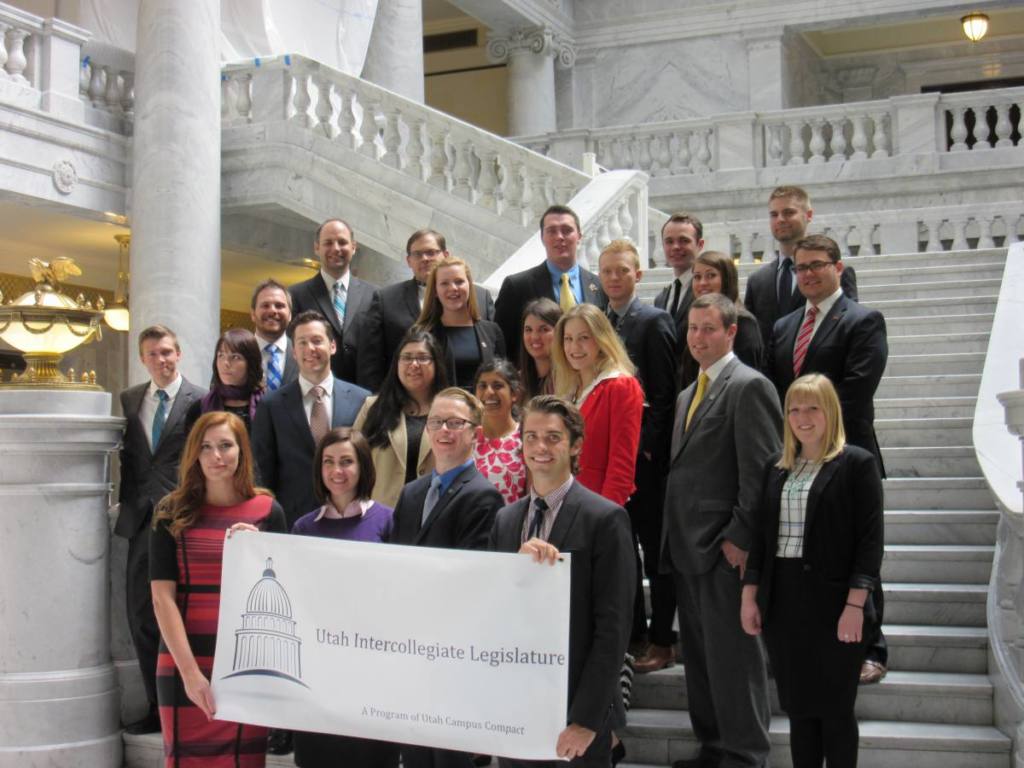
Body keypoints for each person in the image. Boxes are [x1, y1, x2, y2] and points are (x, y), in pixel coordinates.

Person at [661, 293, 782, 768]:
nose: (698, 337)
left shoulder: (749, 386)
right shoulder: (688, 394)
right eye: (692, 328)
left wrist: (741, 538)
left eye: (709, 328)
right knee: (702, 662)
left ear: (731, 332)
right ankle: (712, 749)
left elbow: (762, 473)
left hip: (725, 550)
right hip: (686, 549)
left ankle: (745, 755)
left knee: (735, 662)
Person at [741, 374, 883, 768]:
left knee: (836, 712)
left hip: (836, 604)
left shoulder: (856, 464)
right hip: (783, 604)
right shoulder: (776, 467)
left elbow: (870, 543)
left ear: (830, 412)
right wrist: (750, 595)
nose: (802, 417)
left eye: (812, 408)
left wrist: (855, 604)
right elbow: (761, 539)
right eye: (794, 409)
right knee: (800, 710)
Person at [766, 233, 890, 684]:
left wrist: (819, 433)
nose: (809, 274)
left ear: (838, 268)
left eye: (818, 265)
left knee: (858, 551)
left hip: (847, 457)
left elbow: (856, 392)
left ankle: (872, 648)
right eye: (801, 267)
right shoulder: (783, 327)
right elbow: (780, 394)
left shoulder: (863, 320)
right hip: (798, 461)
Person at [489, 395, 635, 768]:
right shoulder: (505, 521)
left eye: (553, 437)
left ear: (575, 445)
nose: (540, 447)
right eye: (532, 436)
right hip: (517, 710)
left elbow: (613, 630)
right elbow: (492, 614)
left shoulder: (606, 519)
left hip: (578, 713)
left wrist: (586, 719)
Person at [149, 411, 287, 767]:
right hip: (184, 659)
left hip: (246, 661)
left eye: (226, 445)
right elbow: (162, 599)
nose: (216, 456)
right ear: (194, 454)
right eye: (206, 447)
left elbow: (286, 589)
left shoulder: (269, 510)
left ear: (242, 451)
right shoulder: (170, 511)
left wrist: (262, 551)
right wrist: (190, 673)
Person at [389, 387, 504, 768]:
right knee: (416, 754)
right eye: (437, 421)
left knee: (449, 757)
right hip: (411, 647)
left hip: (454, 652)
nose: (443, 430)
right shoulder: (410, 494)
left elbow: (472, 577)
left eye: (455, 423)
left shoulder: (483, 496)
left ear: (475, 433)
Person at [114, 324, 207, 735]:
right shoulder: (130, 399)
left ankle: (187, 700)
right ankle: (156, 705)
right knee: (141, 611)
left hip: (183, 518)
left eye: (168, 352)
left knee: (184, 611)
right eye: (153, 354)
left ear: (179, 353)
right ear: (143, 358)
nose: (162, 360)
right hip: (139, 521)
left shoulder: (200, 399)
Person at [289, 428, 399, 768]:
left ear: (363, 467)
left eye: (347, 462)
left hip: (372, 668)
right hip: (318, 671)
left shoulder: (387, 520)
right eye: (329, 462)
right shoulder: (303, 528)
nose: (337, 471)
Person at [597, 239, 679, 673]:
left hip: (644, 465)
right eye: (607, 271)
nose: (614, 278)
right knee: (621, 551)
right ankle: (634, 633)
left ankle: (664, 639)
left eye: (622, 271)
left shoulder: (654, 321)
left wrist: (644, 447)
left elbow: (665, 396)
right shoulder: (599, 322)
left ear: (638, 274)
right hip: (607, 462)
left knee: (654, 551)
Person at [252, 310, 370, 529]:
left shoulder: (362, 400)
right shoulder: (272, 405)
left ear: (332, 346)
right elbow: (263, 471)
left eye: (317, 341)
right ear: (294, 352)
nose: (310, 349)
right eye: (302, 342)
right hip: (292, 522)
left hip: (352, 519)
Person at [357, 228, 496, 392]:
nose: (425, 259)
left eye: (431, 252)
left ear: (445, 255)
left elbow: (496, 355)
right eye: (417, 254)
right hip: (409, 401)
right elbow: (370, 362)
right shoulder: (385, 299)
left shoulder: (480, 296)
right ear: (408, 261)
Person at [551, 304, 644, 508]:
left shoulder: (620, 386)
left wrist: (604, 517)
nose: (574, 347)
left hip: (597, 507)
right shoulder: (568, 388)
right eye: (568, 339)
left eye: (584, 338)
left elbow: (621, 467)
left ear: (601, 340)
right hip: (564, 504)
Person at [744, 186, 859, 349]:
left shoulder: (836, 272)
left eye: (789, 212)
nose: (780, 219)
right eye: (774, 214)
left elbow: (849, 327)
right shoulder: (757, 281)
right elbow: (753, 340)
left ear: (809, 215)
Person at [353, 329, 448, 508]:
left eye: (422, 358)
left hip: (434, 513)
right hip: (381, 513)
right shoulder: (373, 408)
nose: (414, 364)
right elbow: (354, 458)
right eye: (406, 357)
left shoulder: (451, 410)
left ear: (436, 364)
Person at [494, 205, 607, 352]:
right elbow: (502, 344)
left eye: (567, 230)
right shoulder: (517, 286)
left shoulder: (599, 285)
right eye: (552, 231)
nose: (560, 237)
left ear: (579, 236)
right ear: (542, 238)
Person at [290, 218, 377, 383]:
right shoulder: (296, 295)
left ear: (353, 247)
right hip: (315, 391)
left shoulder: (375, 295)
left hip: (365, 393)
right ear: (317, 247)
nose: (335, 248)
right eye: (328, 243)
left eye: (342, 242)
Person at [413, 255, 505, 390]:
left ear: (469, 285)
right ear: (435, 291)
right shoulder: (421, 334)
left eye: (459, 281)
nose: (453, 288)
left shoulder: (492, 331)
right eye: (444, 283)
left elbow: (503, 379)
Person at [678, 251, 764, 388]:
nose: (702, 283)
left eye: (711, 276)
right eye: (697, 277)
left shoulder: (743, 322)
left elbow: (745, 378)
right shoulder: (689, 322)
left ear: (727, 279)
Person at [185, 328, 266, 435]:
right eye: (221, 355)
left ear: (251, 362)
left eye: (235, 357)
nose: (225, 363)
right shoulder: (199, 408)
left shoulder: (268, 406)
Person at [473, 359, 527, 505]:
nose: (489, 392)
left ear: (514, 394)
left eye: (498, 386)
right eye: (482, 386)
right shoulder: (466, 437)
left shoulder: (527, 438)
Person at [654, 213, 703, 343]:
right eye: (669, 241)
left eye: (684, 240)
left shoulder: (707, 292)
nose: (675, 247)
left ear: (700, 244)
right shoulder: (660, 300)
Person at [250, 278, 298, 391]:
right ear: (252, 314)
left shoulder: (305, 354)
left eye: (279, 306)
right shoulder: (236, 352)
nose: (272, 311)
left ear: (290, 314)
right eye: (265, 305)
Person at [519, 298, 562, 400]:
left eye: (544, 329)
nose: (534, 337)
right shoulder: (517, 382)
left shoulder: (571, 382)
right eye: (528, 330)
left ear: (560, 332)